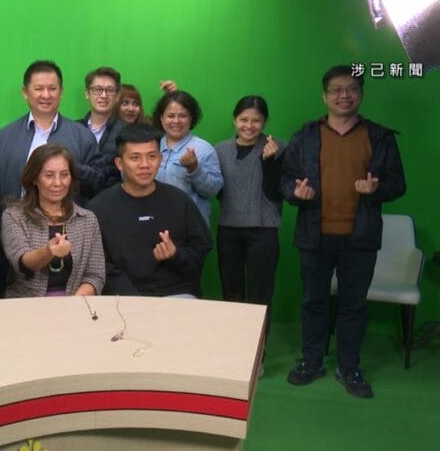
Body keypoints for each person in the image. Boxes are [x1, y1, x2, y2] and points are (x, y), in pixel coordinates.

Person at [281, 65, 406, 398]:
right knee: (313, 302)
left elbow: (398, 184)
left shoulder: (379, 136)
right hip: (314, 235)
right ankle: (311, 361)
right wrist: (296, 193)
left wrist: (376, 190)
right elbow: (286, 179)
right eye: (336, 89)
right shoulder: (306, 135)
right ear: (325, 97)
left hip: (360, 237)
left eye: (351, 89)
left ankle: (348, 367)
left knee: (354, 306)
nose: (344, 95)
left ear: (361, 95)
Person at [88, 123, 212, 297]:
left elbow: (200, 251)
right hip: (122, 299)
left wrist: (176, 255)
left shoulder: (180, 200)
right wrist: (135, 300)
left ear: (160, 159)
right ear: (119, 163)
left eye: (152, 156)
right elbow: (98, 265)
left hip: (176, 295)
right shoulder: (99, 207)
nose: (144, 165)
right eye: (135, 158)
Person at [0, 60, 106, 237]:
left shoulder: (82, 136)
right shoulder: (6, 136)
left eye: (52, 88)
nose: (46, 95)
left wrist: (69, 166)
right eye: (38, 89)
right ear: (25, 92)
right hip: (15, 234)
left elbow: (98, 183)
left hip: (66, 234)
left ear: (61, 92)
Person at [215, 95, 285, 352]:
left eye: (256, 121)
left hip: (263, 230)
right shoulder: (220, 150)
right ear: (235, 120)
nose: (249, 126)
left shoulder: (277, 147)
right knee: (231, 291)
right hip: (228, 229)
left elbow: (277, 191)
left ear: (265, 122)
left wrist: (270, 162)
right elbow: (217, 189)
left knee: (260, 295)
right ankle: (235, 349)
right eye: (244, 119)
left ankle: (258, 354)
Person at [1, 144, 105, 297]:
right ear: (34, 178)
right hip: (26, 306)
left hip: (75, 305)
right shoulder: (14, 216)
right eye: (49, 175)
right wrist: (48, 252)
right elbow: (21, 264)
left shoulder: (87, 219)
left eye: (64, 175)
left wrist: (72, 305)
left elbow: (95, 275)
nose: (58, 183)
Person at [152, 90, 223, 226]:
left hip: (190, 226)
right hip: (156, 223)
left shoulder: (203, 149)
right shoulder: (152, 147)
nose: (176, 121)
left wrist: (195, 169)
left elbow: (213, 190)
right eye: (170, 116)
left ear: (191, 118)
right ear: (162, 118)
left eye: (183, 116)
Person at [77, 67, 125, 189]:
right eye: (98, 90)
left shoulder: (126, 132)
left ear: (117, 95)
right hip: (76, 198)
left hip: (111, 197)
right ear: (87, 93)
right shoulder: (73, 129)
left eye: (110, 90)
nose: (104, 95)